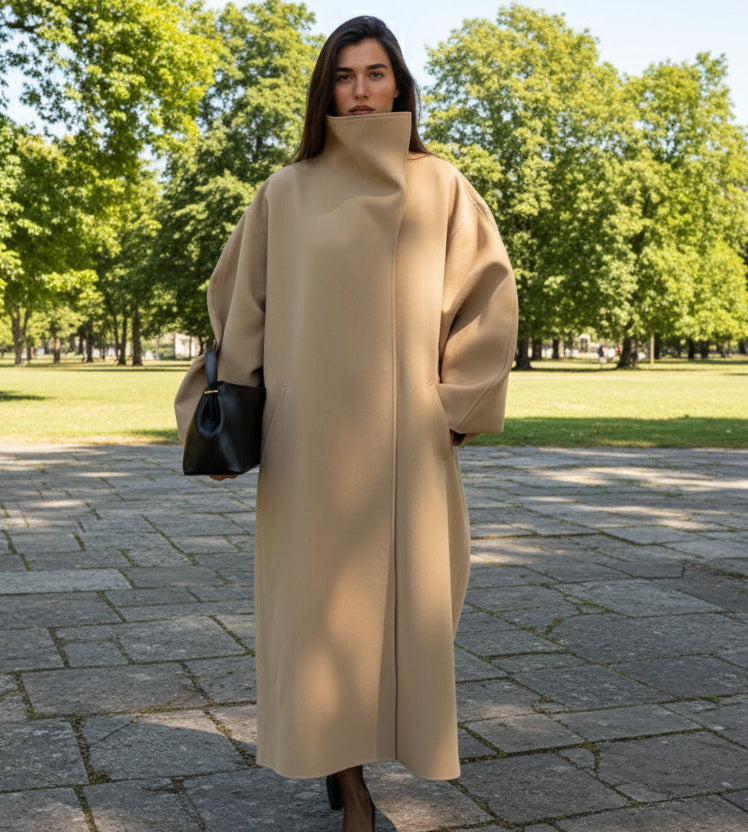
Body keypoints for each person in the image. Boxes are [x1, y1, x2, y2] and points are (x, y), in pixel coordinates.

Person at [175, 16, 518, 832]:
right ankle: (350, 784)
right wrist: (221, 420)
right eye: (344, 75)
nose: (360, 90)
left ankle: (375, 755)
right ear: (325, 89)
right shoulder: (284, 193)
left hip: (409, 447)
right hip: (308, 448)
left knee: (413, 615)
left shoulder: (442, 187)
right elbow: (241, 310)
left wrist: (453, 409)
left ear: (399, 84)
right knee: (319, 619)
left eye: (374, 73)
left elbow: (489, 298)